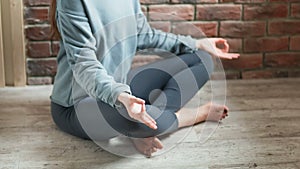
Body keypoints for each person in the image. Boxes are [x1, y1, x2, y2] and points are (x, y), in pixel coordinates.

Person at [50, 0, 239, 157]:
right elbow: (84, 65)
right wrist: (120, 96)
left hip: (122, 90)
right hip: (76, 106)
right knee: (149, 120)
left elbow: (143, 35)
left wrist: (196, 42)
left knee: (202, 57)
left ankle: (143, 128)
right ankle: (185, 117)